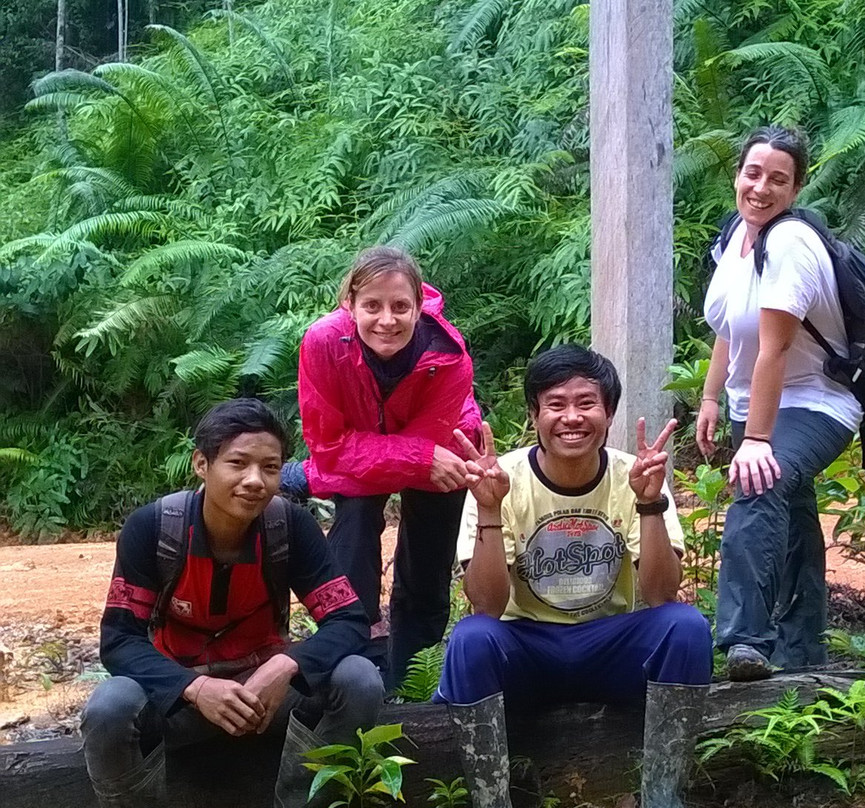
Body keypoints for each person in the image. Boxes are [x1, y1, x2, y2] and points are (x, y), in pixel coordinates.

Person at [435, 345, 713, 808]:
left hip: (611, 646)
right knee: (471, 638)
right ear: (533, 414)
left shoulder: (637, 474)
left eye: (586, 403)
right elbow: (486, 604)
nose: (572, 417)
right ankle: (491, 800)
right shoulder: (499, 477)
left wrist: (649, 502)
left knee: (685, 627)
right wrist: (488, 506)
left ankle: (664, 797)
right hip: (526, 646)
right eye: (556, 404)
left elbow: (661, 594)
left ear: (609, 412)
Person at [81, 398, 383, 808]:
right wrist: (195, 687)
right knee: (109, 706)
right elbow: (119, 640)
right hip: (179, 704)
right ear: (202, 465)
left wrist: (286, 665)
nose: (255, 480)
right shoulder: (153, 528)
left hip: (265, 701)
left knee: (359, 678)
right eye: (238, 463)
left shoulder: (290, 527)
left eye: (270, 467)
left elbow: (348, 620)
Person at [696, 125, 861, 681]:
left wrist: (758, 440)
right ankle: (802, 654)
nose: (761, 188)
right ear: (737, 175)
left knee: (760, 481)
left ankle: (745, 639)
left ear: (795, 190)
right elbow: (731, 326)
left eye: (778, 179)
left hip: (816, 401)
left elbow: (775, 345)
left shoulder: (789, 244)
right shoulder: (734, 236)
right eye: (753, 173)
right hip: (757, 400)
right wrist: (711, 395)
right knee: (791, 518)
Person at [295, 245, 481, 688]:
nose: (387, 320)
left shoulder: (448, 355)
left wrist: (421, 456)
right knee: (355, 522)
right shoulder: (323, 342)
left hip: (444, 441)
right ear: (349, 304)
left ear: (419, 307)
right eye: (372, 306)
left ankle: (413, 677)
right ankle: (351, 661)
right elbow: (328, 442)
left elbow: (434, 444)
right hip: (365, 448)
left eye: (401, 307)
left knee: (428, 556)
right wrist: (414, 457)